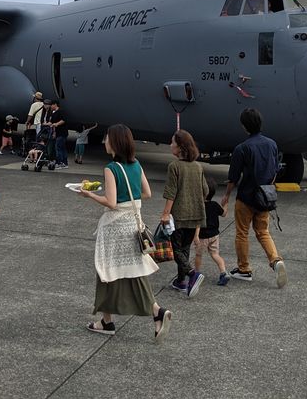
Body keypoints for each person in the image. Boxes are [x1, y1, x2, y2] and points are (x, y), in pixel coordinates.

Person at [80, 124, 173, 343]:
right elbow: (147, 193)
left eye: (106, 138)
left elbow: (111, 203)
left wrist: (88, 195)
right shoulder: (136, 164)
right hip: (133, 225)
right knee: (131, 273)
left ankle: (142, 313)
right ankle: (108, 320)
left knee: (106, 270)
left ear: (114, 142)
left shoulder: (111, 168)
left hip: (114, 229)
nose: (104, 141)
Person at [219, 108, 289, 286]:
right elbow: (275, 170)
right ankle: (276, 260)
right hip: (265, 197)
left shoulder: (242, 148)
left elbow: (233, 177)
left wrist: (226, 196)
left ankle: (244, 269)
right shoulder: (272, 144)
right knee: (263, 231)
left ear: (244, 126)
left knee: (242, 233)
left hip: (246, 197)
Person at [160, 130, 207, 296]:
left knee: (175, 248)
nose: (170, 145)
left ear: (180, 147)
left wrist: (166, 213)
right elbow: (205, 191)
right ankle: (180, 281)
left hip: (179, 215)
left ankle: (192, 274)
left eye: (173, 142)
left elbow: (171, 192)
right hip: (196, 215)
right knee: (185, 247)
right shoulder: (198, 167)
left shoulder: (174, 166)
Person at [195, 177, 229, 285]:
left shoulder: (200, 207)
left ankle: (196, 274)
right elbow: (224, 213)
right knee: (215, 254)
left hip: (202, 236)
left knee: (198, 255)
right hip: (215, 235)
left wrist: (195, 236)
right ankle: (223, 272)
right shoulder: (214, 205)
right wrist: (225, 204)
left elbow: (198, 223)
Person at [46, 100, 68, 168]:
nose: (50, 106)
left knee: (58, 148)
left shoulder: (61, 111)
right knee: (62, 148)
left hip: (62, 132)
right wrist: (44, 124)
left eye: (51, 105)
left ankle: (59, 163)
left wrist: (57, 124)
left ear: (55, 105)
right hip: (57, 133)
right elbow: (51, 123)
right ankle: (64, 163)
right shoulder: (53, 113)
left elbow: (63, 120)